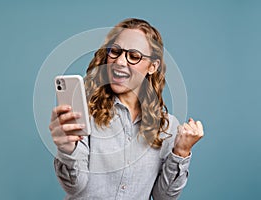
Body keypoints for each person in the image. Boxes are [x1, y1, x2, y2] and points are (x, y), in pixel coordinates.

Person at [49, 18, 204, 200]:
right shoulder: (86, 112)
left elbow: (164, 197)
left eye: (134, 56)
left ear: (152, 66)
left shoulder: (167, 127)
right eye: (115, 52)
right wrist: (68, 150)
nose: (120, 62)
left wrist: (181, 152)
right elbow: (75, 187)